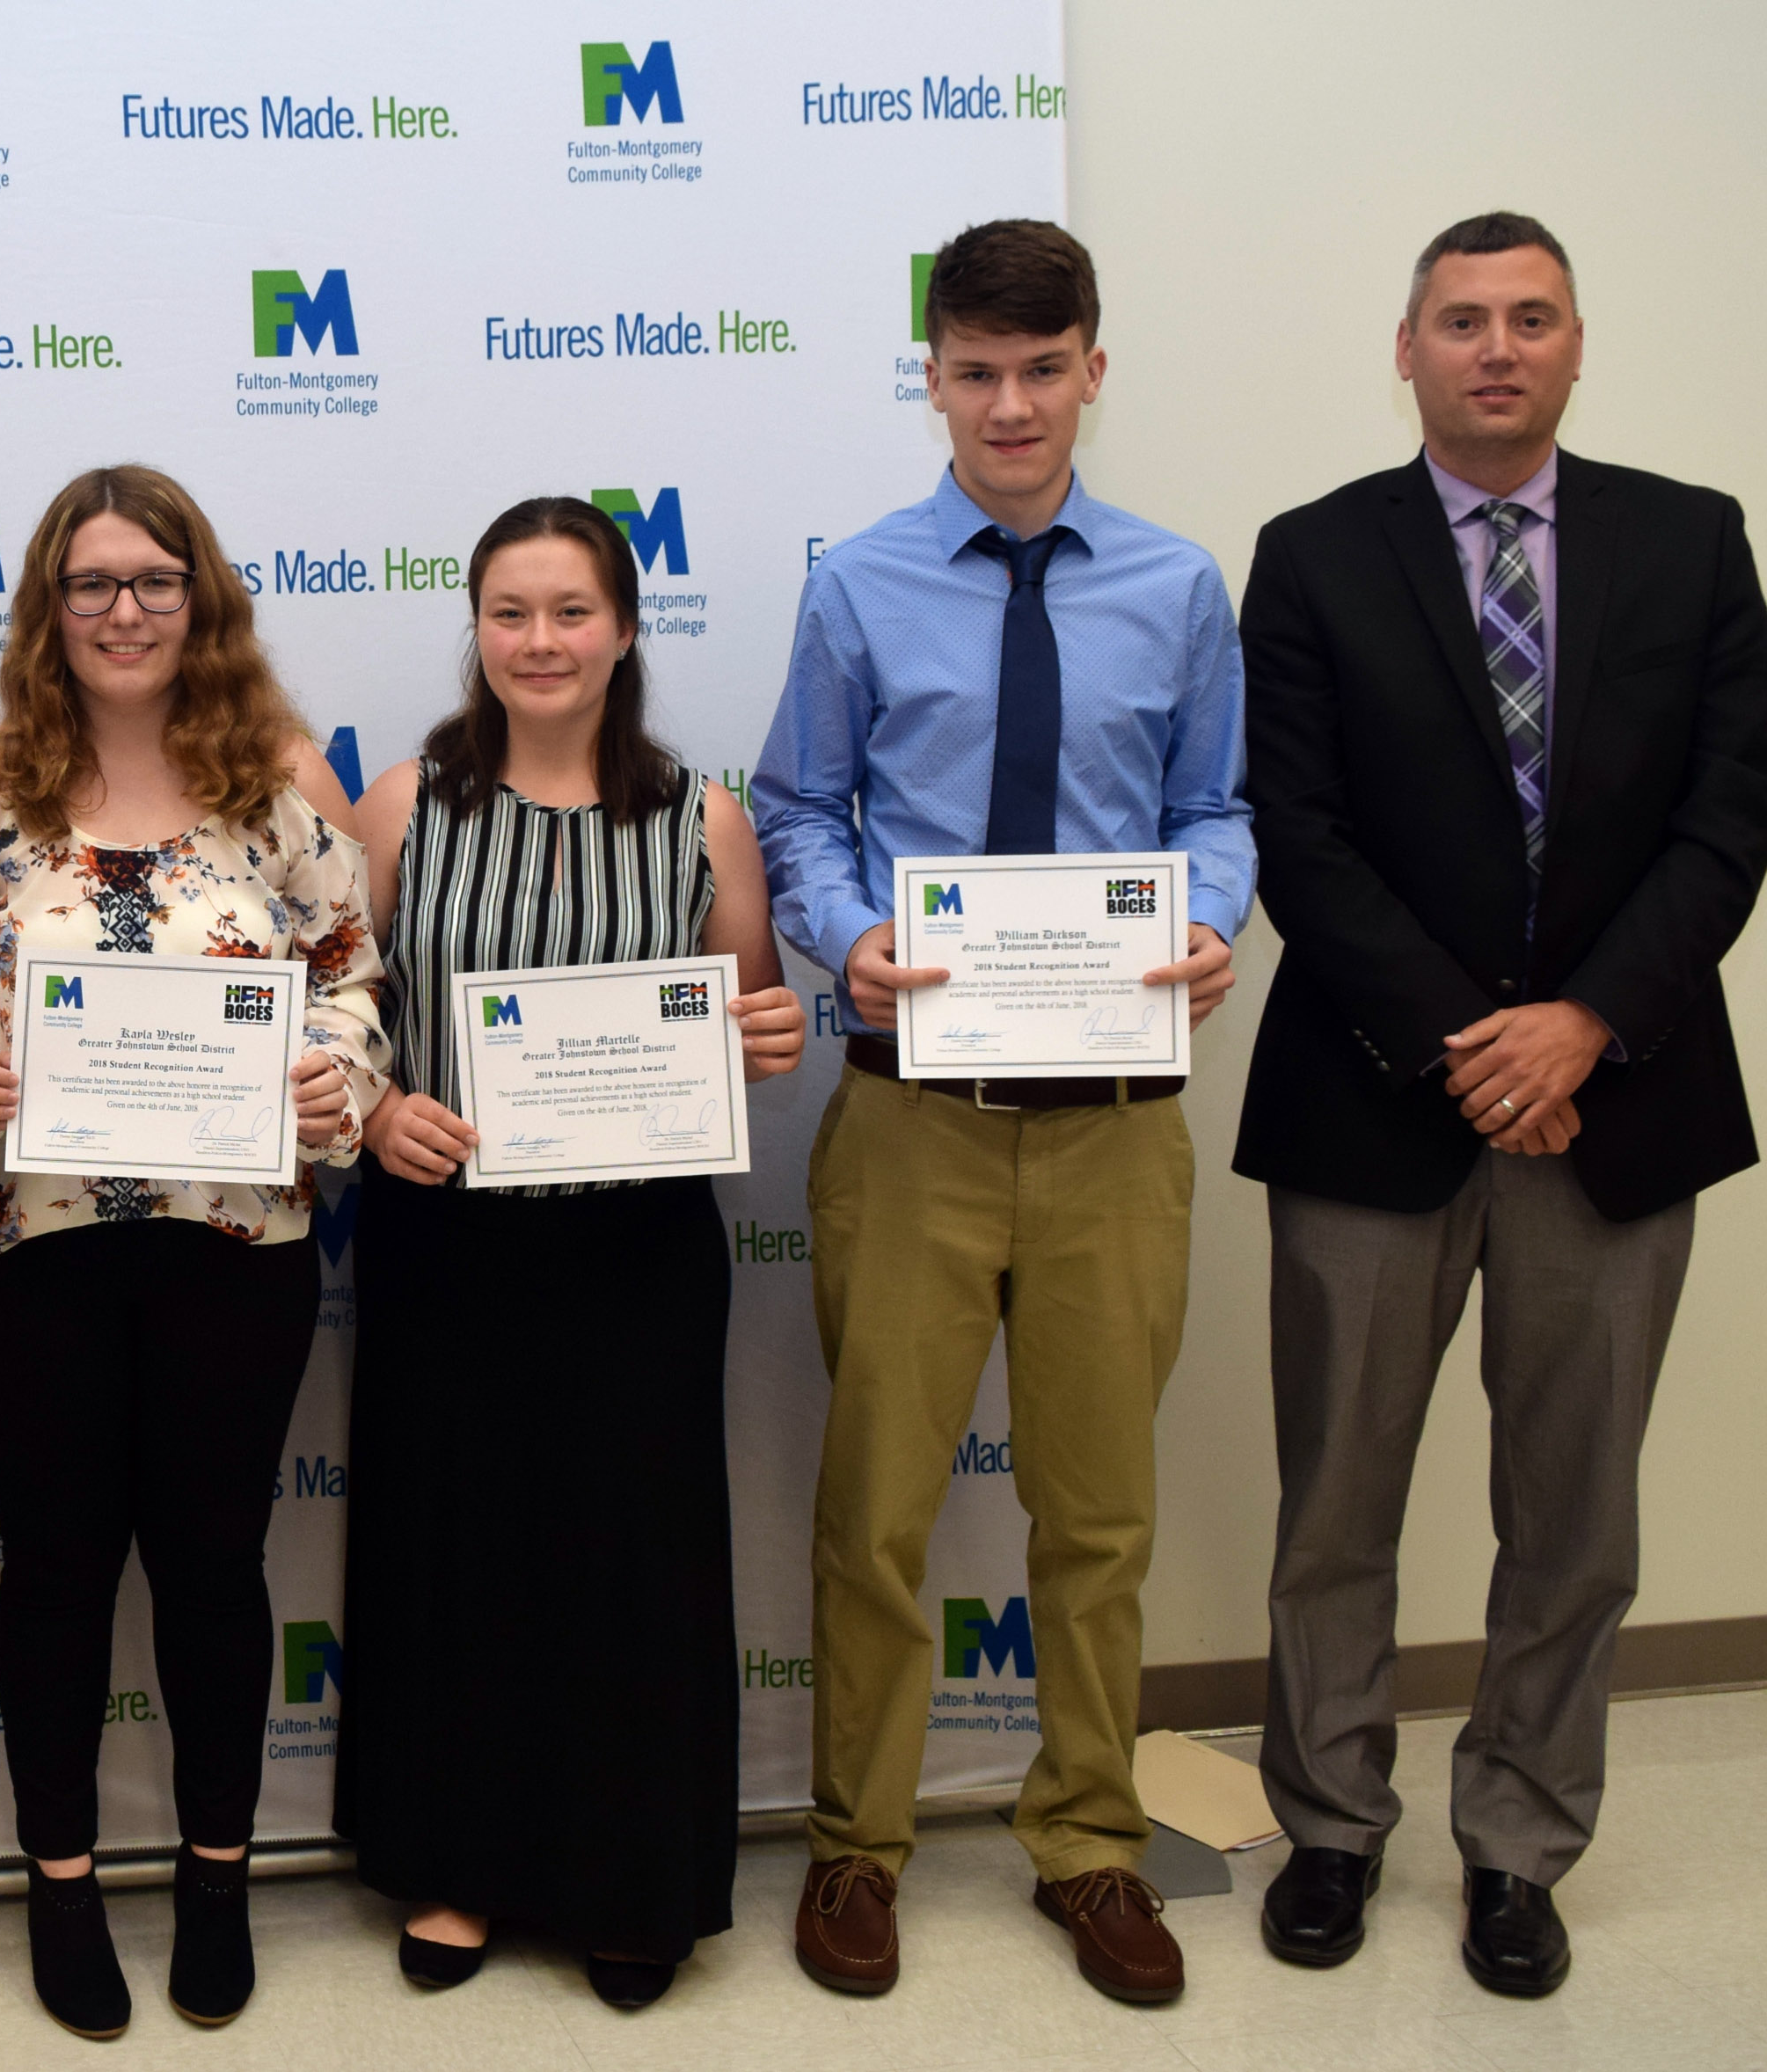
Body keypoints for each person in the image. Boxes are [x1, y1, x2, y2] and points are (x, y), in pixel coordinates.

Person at [1233, 213, 1767, 1998]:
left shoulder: (1693, 543)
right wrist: (1479, 1037)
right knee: (1336, 1501)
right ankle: (1326, 1819)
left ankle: (1520, 1840)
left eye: (1529, 317)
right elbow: (1293, 833)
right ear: (1403, 349)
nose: (1495, 346)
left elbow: (1729, 818)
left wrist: (1584, 1025)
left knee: (1574, 1511)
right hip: (1375, 1099)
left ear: (1575, 343)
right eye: (1459, 319)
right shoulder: (1310, 557)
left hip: (1620, 1106)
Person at [751, 219, 1252, 2006]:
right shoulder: (861, 583)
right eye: (975, 369)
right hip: (915, 1115)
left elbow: (1217, 800)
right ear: (934, 376)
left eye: (1044, 370)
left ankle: (1091, 1838)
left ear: (1093, 371)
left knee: (1098, 1510)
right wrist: (843, 931)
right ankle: (855, 1848)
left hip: (1118, 1116)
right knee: (877, 1501)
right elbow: (797, 803)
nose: (1011, 403)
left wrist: (1211, 912)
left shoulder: (1179, 586)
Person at [0, 464, 390, 2038]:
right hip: (29, 1245)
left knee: (217, 1568)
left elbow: (357, 981)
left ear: (202, 599)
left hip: (232, 1245)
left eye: (154, 583)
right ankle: (61, 1881)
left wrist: (340, 1079)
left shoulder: (278, 774)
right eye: (92, 584)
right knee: (53, 1566)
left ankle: (220, 1876)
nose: (124, 612)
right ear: (50, 605)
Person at [336, 497, 805, 2007]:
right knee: (455, 1550)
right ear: (475, 629)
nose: (541, 642)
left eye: (572, 612)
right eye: (511, 613)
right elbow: (337, 1016)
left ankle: (629, 1881)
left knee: (633, 1563)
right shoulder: (408, 802)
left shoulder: (700, 818)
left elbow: (751, 1017)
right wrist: (377, 1109)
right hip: (447, 1238)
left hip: (637, 1246)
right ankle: (460, 1867)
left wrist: (771, 1036)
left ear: (623, 628)